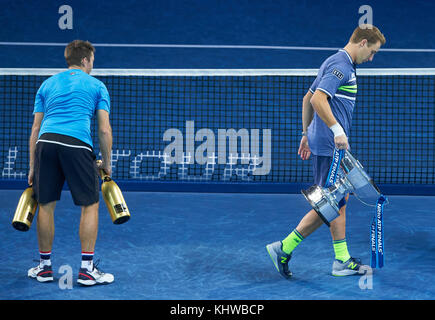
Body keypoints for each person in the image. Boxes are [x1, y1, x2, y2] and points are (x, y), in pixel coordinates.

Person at [267, 25, 386, 278]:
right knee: (329, 204)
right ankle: (284, 248)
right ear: (363, 43)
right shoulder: (341, 66)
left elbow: (307, 97)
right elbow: (317, 100)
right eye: (373, 52)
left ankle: (341, 260)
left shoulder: (335, 61)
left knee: (339, 201)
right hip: (331, 146)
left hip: (324, 142)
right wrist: (336, 131)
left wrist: (305, 134)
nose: (372, 58)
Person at [27, 40, 114, 286]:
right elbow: (104, 130)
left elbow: (35, 128)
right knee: (90, 205)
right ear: (86, 60)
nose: (93, 66)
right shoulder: (97, 86)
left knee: (45, 205)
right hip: (77, 145)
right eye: (93, 61)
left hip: (46, 144)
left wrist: (33, 165)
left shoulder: (47, 84)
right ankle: (87, 270)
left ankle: (44, 268)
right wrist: (106, 163)